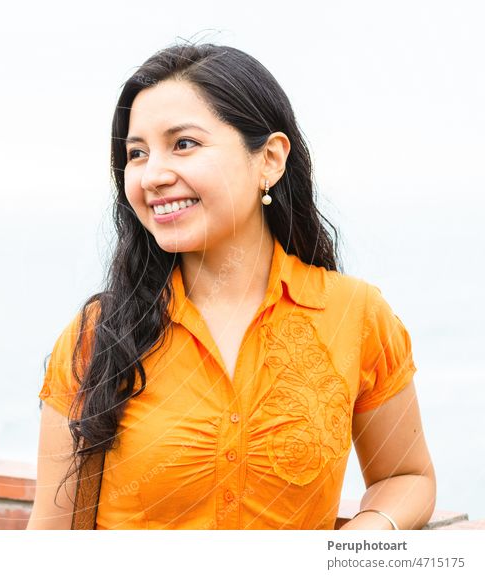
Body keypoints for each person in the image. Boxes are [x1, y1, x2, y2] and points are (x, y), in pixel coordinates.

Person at [26, 43, 435, 530]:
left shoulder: (356, 314)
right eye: (137, 154)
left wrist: (359, 538)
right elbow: (53, 535)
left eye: (183, 144)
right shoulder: (98, 337)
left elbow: (407, 475)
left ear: (270, 159)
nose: (153, 175)